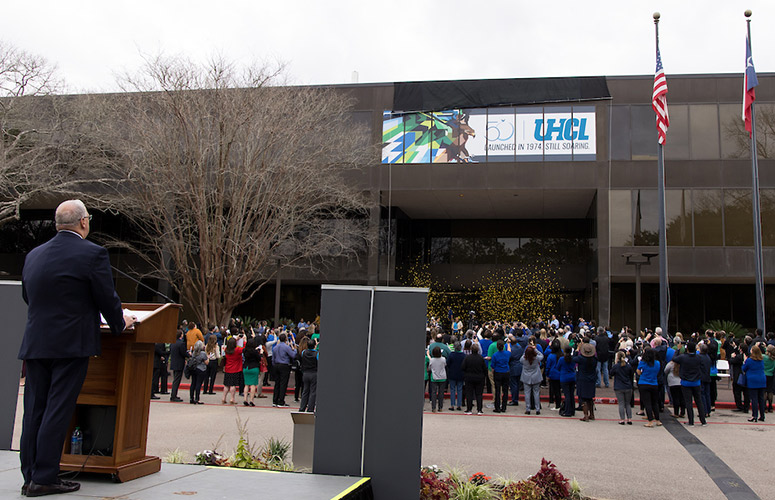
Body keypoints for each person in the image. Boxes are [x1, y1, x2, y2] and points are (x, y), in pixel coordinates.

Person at [18, 199, 136, 497]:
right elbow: (106, 298)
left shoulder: (34, 255)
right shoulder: (92, 253)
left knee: (34, 410)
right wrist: (121, 323)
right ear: (84, 222)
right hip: (71, 345)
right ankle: (45, 477)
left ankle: (30, 475)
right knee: (58, 409)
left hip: (36, 343)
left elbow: (28, 297)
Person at [673, 341, 707, 427]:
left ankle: (691, 421)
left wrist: (678, 349)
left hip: (686, 382)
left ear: (687, 349)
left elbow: (674, 358)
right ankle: (703, 420)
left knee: (688, 402)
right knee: (699, 401)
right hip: (696, 381)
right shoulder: (699, 357)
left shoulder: (683, 357)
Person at [637, 348, 662, 427]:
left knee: (647, 403)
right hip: (654, 383)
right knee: (654, 402)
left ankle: (650, 420)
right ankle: (657, 420)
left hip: (644, 383)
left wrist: (642, 374)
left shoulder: (643, 362)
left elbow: (638, 371)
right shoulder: (657, 363)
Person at [573, 341, 597, 422]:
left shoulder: (581, 359)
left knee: (583, 398)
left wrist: (577, 350)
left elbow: (573, 359)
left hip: (582, 379)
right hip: (591, 379)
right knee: (590, 398)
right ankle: (592, 414)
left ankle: (586, 415)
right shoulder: (594, 359)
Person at [743, 345, 767, 422]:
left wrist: (744, 361)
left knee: (754, 399)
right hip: (762, 379)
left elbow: (744, 368)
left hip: (753, 380)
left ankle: (754, 415)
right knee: (761, 398)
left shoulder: (749, 360)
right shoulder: (761, 360)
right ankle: (762, 415)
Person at [461, 344, 487, 415]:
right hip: (479, 378)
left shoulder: (467, 358)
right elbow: (485, 368)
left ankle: (469, 409)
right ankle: (479, 409)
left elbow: (463, 367)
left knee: (469, 394)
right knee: (479, 394)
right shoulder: (481, 358)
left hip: (469, 377)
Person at [272, 333, 297, 408]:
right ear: (286, 339)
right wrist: (294, 350)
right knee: (283, 383)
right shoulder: (286, 347)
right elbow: (293, 355)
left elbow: (273, 358)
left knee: (277, 383)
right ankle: (281, 401)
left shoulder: (275, 347)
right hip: (284, 365)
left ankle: (275, 400)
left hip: (276, 365)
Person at [520, 344, 544, 415]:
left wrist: (526, 351)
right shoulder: (536, 358)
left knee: (527, 394)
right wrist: (535, 349)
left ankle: (528, 409)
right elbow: (542, 355)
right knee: (536, 393)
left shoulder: (523, 359)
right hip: (536, 376)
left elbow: (521, 358)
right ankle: (537, 409)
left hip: (526, 377)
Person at [611, 350, 634, 425]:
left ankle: (622, 419)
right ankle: (629, 418)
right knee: (627, 403)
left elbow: (611, 373)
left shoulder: (616, 366)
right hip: (628, 386)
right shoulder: (628, 366)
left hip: (619, 386)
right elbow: (631, 374)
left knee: (621, 403)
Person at [221, 337, 244, 404]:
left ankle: (224, 398)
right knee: (233, 385)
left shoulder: (226, 350)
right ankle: (232, 398)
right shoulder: (237, 350)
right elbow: (244, 348)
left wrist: (235, 339)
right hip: (235, 369)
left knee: (226, 385)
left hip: (227, 369)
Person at [491, 340, 511, 413]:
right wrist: (508, 344)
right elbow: (509, 351)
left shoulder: (495, 355)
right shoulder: (506, 354)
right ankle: (504, 407)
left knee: (497, 390)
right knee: (505, 391)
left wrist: (493, 372)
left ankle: (497, 407)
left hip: (498, 372)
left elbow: (492, 365)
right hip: (505, 372)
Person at [299, 338, 319, 412]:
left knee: (305, 391)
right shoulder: (317, 354)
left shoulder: (304, 352)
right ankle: (310, 408)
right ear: (314, 346)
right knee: (313, 392)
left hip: (305, 373)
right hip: (314, 373)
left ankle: (302, 408)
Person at [557, 346, 577, 417]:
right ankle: (572, 410)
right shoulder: (573, 359)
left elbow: (558, 367)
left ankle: (567, 411)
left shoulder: (562, 359)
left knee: (567, 395)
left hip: (564, 377)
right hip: (572, 377)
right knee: (571, 394)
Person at [169, 329, 188, 402]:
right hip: (179, 363)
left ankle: (174, 395)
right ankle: (173, 396)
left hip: (174, 362)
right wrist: (188, 355)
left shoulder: (173, 343)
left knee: (175, 379)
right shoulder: (181, 343)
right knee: (177, 380)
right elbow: (183, 353)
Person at [242, 337, 262, 406]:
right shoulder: (255, 352)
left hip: (246, 367)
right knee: (253, 385)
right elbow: (259, 358)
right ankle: (251, 400)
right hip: (254, 367)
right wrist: (260, 353)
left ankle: (245, 399)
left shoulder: (245, 350)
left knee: (246, 384)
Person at [447, 342, 466, 411]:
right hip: (461, 374)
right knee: (459, 389)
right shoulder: (463, 355)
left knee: (452, 389)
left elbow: (448, 363)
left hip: (452, 373)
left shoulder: (451, 355)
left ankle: (452, 405)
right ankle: (459, 405)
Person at [188, 340, 209, 404]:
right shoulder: (203, 354)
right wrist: (208, 358)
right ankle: (197, 398)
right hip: (201, 369)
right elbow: (206, 363)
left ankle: (191, 398)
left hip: (194, 369)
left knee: (193, 383)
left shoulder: (194, 353)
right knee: (198, 384)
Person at [428, 346, 447, 412]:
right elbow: (445, 365)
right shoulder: (443, 359)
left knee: (433, 392)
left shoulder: (432, 360)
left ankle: (433, 407)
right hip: (442, 377)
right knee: (441, 393)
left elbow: (429, 368)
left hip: (434, 377)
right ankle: (440, 407)